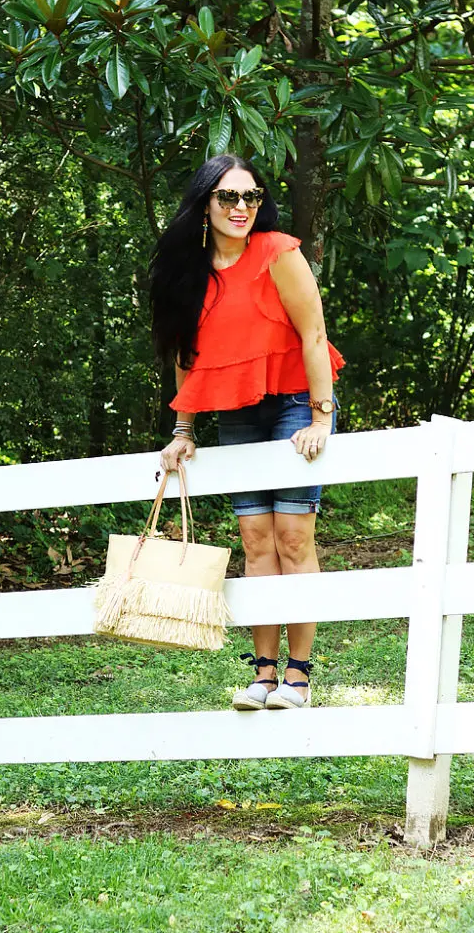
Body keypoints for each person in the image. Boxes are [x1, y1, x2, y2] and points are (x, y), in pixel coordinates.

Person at [149, 154, 344, 710]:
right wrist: (184, 428)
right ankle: (263, 676)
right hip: (236, 411)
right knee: (255, 543)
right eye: (229, 197)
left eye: (251, 197)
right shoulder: (188, 268)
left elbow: (314, 335)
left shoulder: (278, 252)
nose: (241, 208)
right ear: (205, 202)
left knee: (292, 537)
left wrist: (320, 415)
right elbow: (187, 354)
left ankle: (299, 678)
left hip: (294, 402)